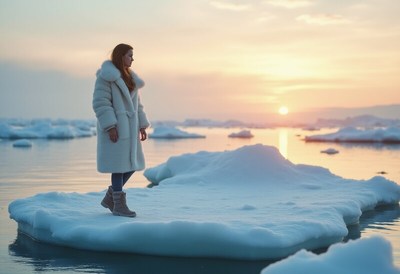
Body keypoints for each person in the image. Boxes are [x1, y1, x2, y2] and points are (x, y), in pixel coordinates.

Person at [92, 43, 150, 218]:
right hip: (116, 127)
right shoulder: (105, 77)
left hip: (130, 129)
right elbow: (101, 103)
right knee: (118, 167)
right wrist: (110, 126)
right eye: (130, 55)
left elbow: (138, 105)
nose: (133, 59)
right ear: (121, 56)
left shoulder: (131, 78)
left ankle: (112, 197)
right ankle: (118, 205)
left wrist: (142, 124)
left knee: (131, 165)